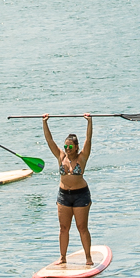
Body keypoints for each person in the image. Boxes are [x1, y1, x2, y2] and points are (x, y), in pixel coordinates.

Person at [43, 114, 95, 267]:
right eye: (65, 146)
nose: (67, 149)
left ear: (76, 147)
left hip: (81, 195)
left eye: (70, 147)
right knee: (63, 228)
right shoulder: (60, 156)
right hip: (64, 196)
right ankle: (63, 257)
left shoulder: (82, 157)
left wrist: (90, 122)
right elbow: (49, 140)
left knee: (82, 227)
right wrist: (45, 123)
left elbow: (88, 139)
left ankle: (88, 257)